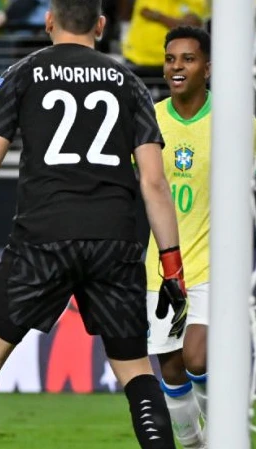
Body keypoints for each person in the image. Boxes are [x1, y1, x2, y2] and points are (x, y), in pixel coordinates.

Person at [0, 1, 188, 448]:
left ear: (49, 21)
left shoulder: (23, 74)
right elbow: (154, 183)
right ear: (102, 26)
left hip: (43, 236)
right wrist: (172, 268)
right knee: (135, 370)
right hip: (116, 240)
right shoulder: (130, 83)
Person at [145, 26, 255, 449]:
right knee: (171, 371)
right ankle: (194, 443)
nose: (177, 67)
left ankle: (225, 438)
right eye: (171, 58)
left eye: (188, 59)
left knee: (197, 356)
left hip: (215, 264)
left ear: (208, 68)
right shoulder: (149, 121)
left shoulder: (236, 122)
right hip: (161, 267)